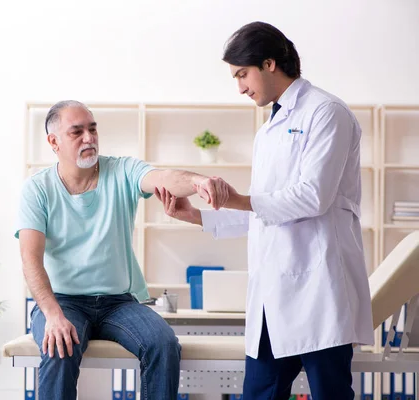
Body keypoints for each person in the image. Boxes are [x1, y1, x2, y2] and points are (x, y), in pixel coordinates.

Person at [156, 22, 374, 400]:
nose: (239, 86)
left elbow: (313, 196)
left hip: (318, 291)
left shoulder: (326, 112)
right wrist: (196, 215)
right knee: (258, 394)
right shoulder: (268, 129)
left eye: (243, 73)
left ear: (270, 63)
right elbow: (262, 206)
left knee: (330, 395)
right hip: (272, 297)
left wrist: (236, 199)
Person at [15, 100, 229, 400]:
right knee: (59, 347)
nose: (89, 138)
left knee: (163, 344)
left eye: (92, 129)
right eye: (77, 132)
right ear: (54, 142)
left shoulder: (123, 170)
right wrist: (52, 315)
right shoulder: (37, 189)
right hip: (63, 302)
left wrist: (197, 181)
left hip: (119, 303)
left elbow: (162, 178)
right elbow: (30, 259)